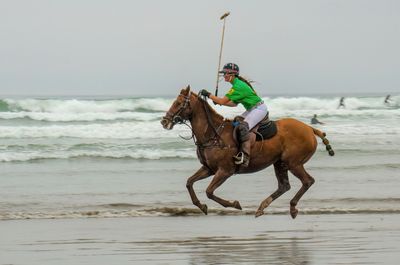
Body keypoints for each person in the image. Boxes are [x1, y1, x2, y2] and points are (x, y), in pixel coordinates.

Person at [199, 63, 268, 167]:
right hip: (252, 109)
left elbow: (222, 100)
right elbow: (234, 104)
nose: (224, 76)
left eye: (225, 73)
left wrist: (209, 95)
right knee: (236, 122)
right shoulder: (236, 85)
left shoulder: (238, 86)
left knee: (243, 126)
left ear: (232, 74)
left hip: (259, 109)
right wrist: (219, 102)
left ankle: (245, 157)